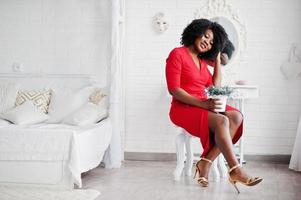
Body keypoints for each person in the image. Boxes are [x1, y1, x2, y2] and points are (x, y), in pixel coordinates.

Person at [165, 19, 262, 193]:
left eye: (212, 43)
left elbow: (214, 87)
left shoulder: (202, 62)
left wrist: (217, 57)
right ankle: (236, 170)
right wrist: (203, 103)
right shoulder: (177, 54)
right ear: (196, 32)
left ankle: (205, 162)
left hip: (202, 104)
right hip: (182, 108)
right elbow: (174, 89)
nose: (207, 43)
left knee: (236, 116)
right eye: (206, 36)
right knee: (222, 121)